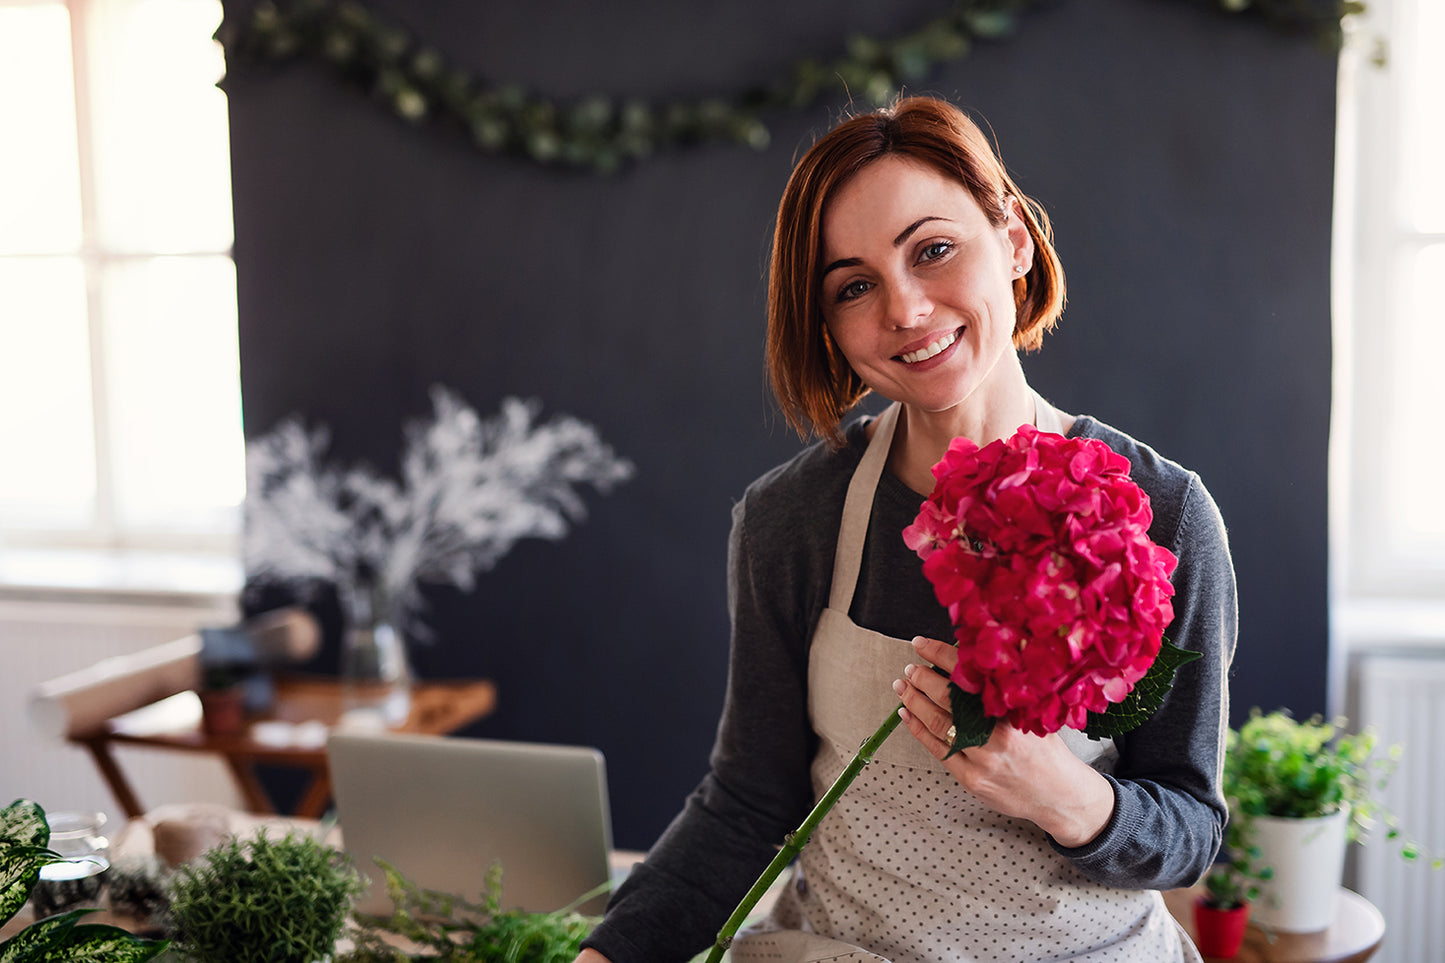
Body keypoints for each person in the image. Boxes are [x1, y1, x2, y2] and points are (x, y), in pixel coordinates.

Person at [576, 96, 1236, 963]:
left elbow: (1189, 825)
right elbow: (747, 803)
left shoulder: (1164, 515)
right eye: (854, 285)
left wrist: (1060, 792)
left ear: (1012, 241)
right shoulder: (792, 519)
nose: (906, 309)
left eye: (933, 249)